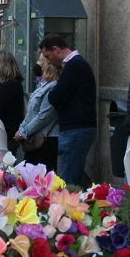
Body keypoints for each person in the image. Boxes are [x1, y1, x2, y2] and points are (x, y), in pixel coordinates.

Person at [41, 34, 96, 186]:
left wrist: (53, 92)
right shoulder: (73, 65)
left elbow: (55, 97)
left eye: (47, 55)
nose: (47, 61)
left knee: (67, 181)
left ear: (56, 50)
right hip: (76, 128)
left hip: (76, 128)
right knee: (73, 173)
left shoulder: (75, 65)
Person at [15, 54, 60, 171]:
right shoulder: (41, 86)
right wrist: (21, 129)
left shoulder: (52, 87)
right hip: (35, 138)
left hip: (46, 140)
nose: (37, 63)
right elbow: (31, 113)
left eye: (40, 60)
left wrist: (24, 131)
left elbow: (43, 116)